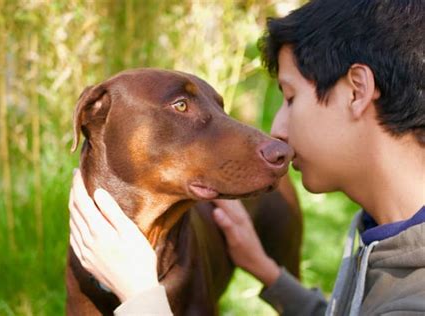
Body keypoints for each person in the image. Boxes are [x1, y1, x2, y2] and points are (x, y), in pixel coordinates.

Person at [68, 0, 425, 314]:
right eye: (181, 106)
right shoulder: (379, 233)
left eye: (289, 97)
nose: (277, 133)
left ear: (357, 91)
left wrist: (141, 297)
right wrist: (268, 273)